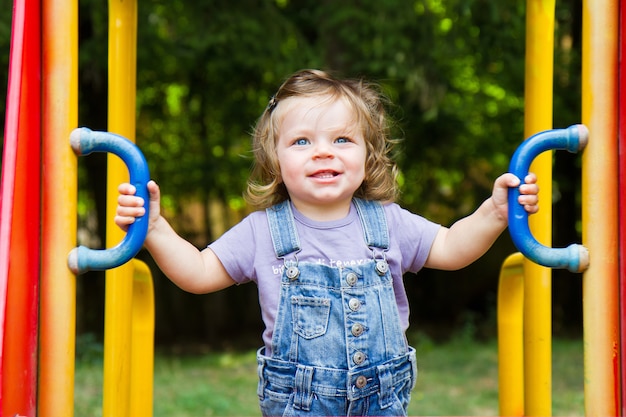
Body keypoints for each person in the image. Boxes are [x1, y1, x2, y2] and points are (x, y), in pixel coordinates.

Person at [115, 69, 539, 416]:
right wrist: (154, 229)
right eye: (302, 141)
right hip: (300, 404)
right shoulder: (263, 230)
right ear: (275, 161)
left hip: (382, 401)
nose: (323, 152)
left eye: (342, 140)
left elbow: (450, 248)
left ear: (367, 154)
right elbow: (199, 273)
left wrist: (495, 213)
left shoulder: (387, 222)